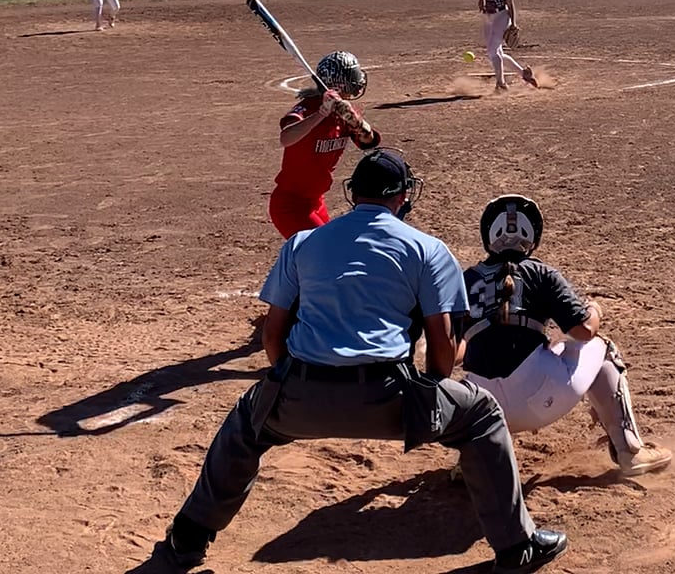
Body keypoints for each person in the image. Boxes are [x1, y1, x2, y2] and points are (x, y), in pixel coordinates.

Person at [151, 149, 568, 574]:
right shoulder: (428, 249)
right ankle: (517, 548)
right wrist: (431, 398)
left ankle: (186, 540)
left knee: (246, 423)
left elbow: (272, 335)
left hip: (300, 395)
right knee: (481, 414)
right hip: (390, 399)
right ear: (403, 196)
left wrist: (287, 385)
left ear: (353, 193)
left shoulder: (303, 243)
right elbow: (442, 347)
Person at [458, 195, 673, 476]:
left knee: (476, 372)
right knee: (601, 347)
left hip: (482, 412)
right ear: (533, 237)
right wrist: (594, 309)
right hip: (539, 402)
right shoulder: (540, 273)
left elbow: (453, 352)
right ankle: (630, 450)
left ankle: (474, 459)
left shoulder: (465, 279)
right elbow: (583, 331)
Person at [266, 51, 382, 238]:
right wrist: (320, 114)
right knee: (327, 249)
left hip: (316, 201)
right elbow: (286, 138)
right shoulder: (308, 108)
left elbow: (369, 142)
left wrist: (357, 123)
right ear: (340, 82)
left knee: (330, 248)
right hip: (291, 204)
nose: (358, 80)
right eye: (353, 76)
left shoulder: (343, 111)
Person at [472, 0, 536, 91]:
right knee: (496, 53)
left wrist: (513, 23)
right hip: (487, 17)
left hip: (502, 16)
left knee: (492, 51)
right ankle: (524, 73)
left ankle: (501, 83)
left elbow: (510, 6)